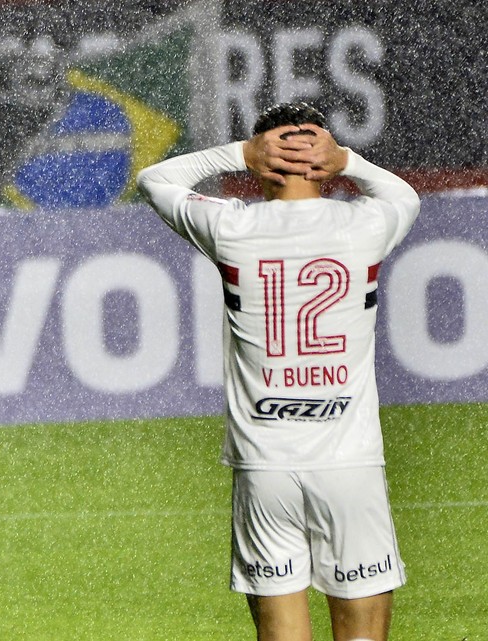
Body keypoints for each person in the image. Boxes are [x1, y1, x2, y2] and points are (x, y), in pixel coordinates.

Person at [136, 102, 420, 641]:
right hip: (349, 464)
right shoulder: (367, 223)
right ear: (325, 162)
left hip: (264, 466)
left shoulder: (231, 225)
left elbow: (155, 179)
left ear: (263, 166)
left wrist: (241, 154)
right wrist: (348, 161)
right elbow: (403, 195)